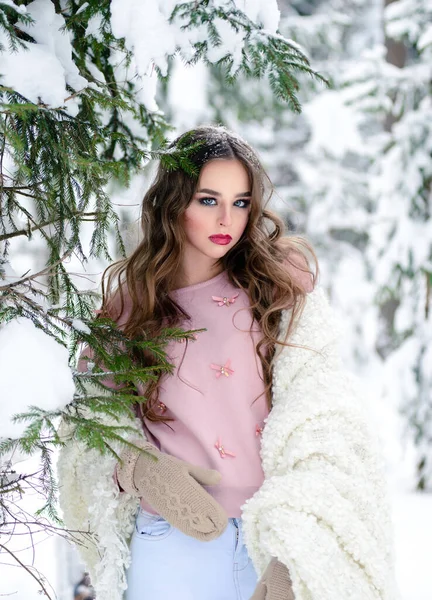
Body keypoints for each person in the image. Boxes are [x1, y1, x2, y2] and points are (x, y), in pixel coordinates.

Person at [58, 125, 400, 600]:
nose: (227, 218)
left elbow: (325, 416)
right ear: (173, 202)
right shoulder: (127, 309)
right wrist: (139, 469)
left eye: (240, 202)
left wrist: (297, 561)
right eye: (207, 200)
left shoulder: (278, 292)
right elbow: (92, 426)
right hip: (170, 544)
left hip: (270, 542)